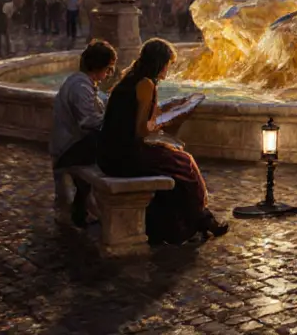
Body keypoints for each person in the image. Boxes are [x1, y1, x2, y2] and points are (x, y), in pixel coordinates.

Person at [99, 39, 228, 244]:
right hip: (125, 156)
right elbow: (142, 129)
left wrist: (165, 112)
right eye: (167, 63)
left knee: (178, 160)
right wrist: (163, 123)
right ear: (159, 63)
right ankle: (201, 221)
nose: (168, 68)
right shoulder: (146, 84)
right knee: (185, 163)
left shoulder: (130, 79)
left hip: (110, 152)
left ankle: (194, 222)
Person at [51, 41, 118, 227]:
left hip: (70, 144)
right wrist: (114, 119)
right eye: (109, 69)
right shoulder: (80, 87)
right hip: (70, 149)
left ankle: (85, 209)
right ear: (98, 66)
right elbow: (88, 122)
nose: (109, 74)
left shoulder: (80, 82)